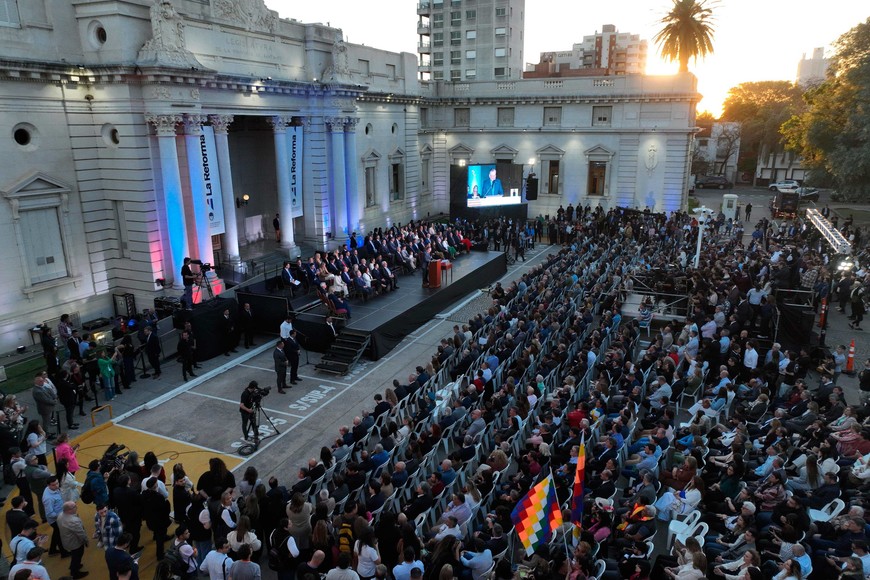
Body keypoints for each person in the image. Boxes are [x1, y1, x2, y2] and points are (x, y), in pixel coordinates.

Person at [57, 500, 89, 579]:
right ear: (69, 510)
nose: (77, 507)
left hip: (66, 540)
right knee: (77, 556)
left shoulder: (60, 515)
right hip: (75, 543)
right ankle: (75, 573)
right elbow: (81, 533)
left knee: (75, 556)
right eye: (74, 507)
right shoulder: (73, 521)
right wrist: (86, 541)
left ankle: (74, 566)